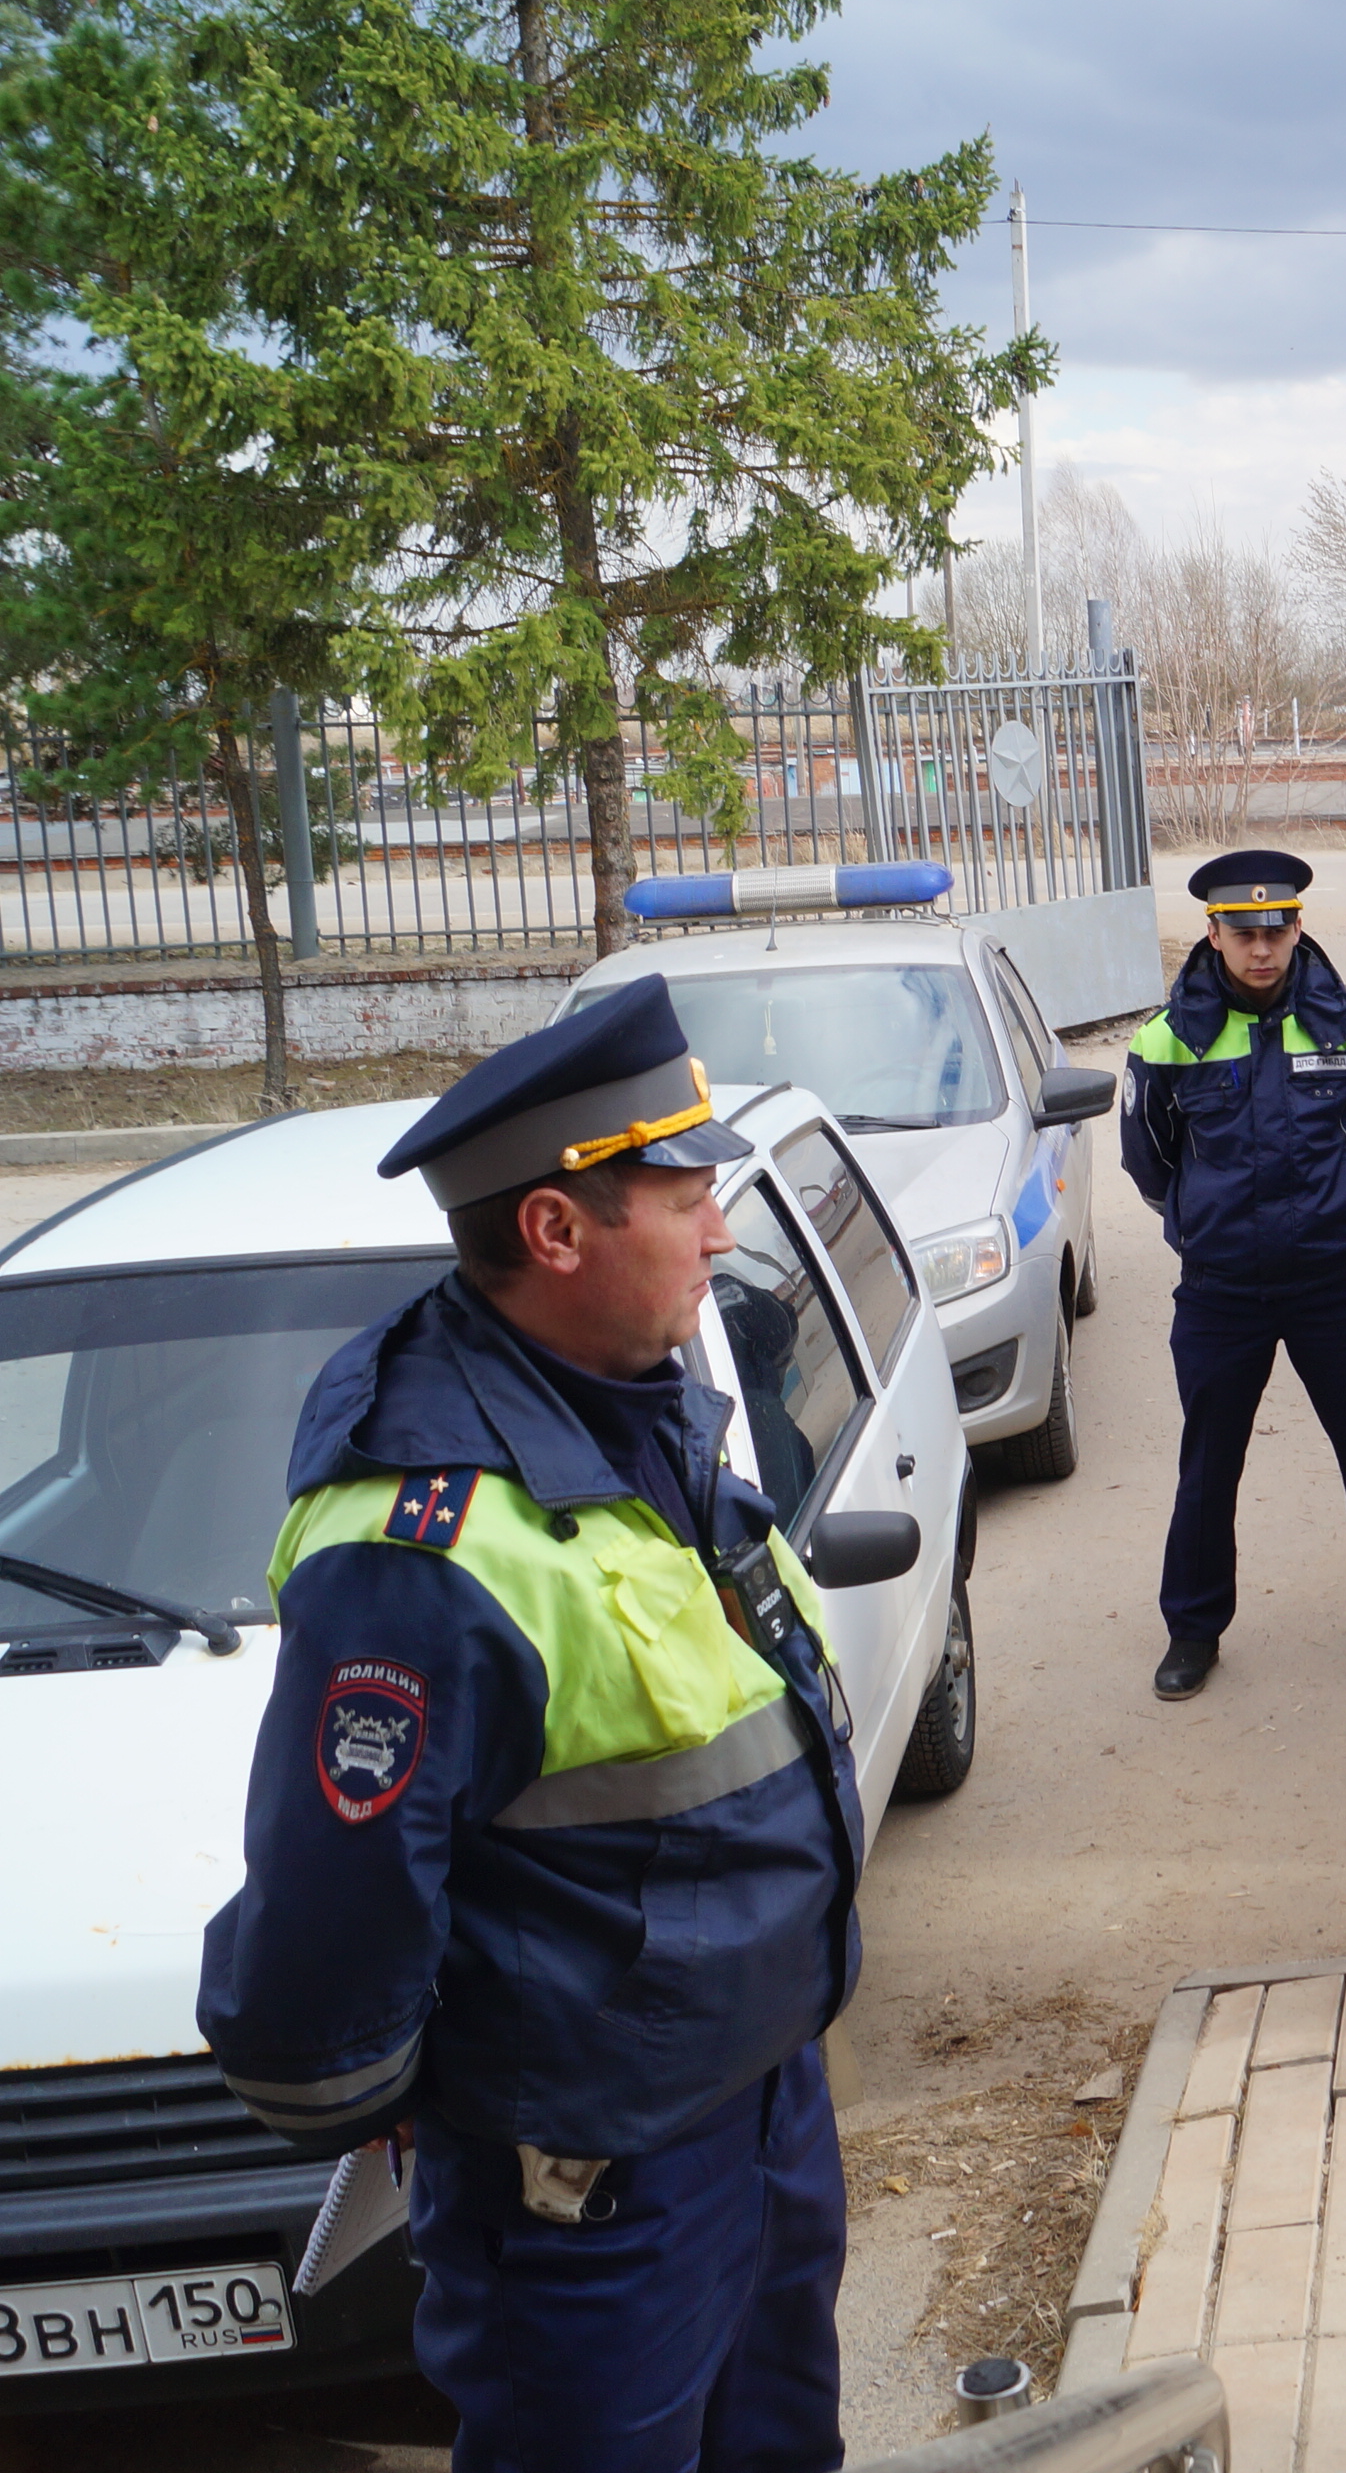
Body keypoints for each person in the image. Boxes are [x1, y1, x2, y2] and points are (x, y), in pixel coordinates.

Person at [197, 978, 865, 2473]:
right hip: (593, 2183)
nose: (725, 1231)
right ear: (558, 1233)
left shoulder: (634, 1402)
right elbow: (336, 1917)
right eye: (685, 1198)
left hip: (754, 2110)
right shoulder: (419, 1544)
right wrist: (405, 2104)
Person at [1125, 847, 1346, 1692]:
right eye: (1243, 932)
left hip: (1332, 1284)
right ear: (1214, 935)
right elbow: (1149, 1160)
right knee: (1209, 1463)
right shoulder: (1166, 1040)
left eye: (1276, 929)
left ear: (1299, 928)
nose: (1261, 947)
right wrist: (1203, 1227)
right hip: (1221, 1293)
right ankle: (1192, 1631)